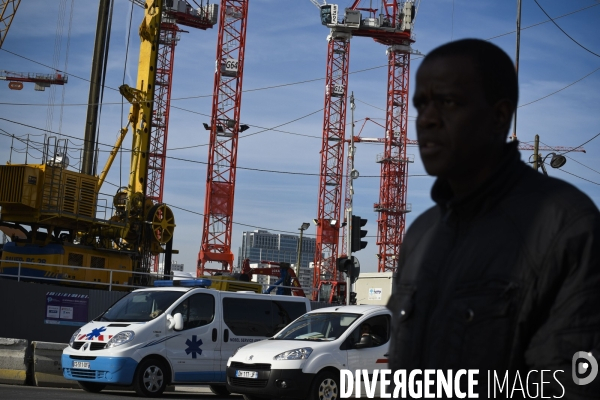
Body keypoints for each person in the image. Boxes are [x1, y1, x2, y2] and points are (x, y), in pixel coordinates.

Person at [386, 38, 600, 398]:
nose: (427, 120)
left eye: (448, 102)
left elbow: (574, 384)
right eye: (420, 105)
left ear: (499, 116)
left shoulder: (566, 226)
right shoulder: (421, 234)